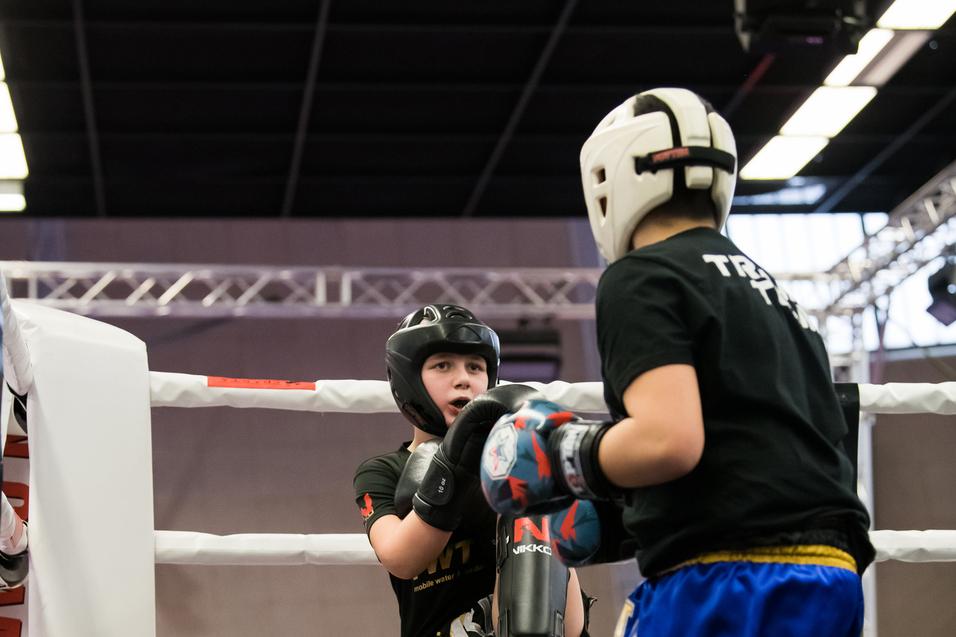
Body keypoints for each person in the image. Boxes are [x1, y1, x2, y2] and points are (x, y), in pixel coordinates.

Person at [480, 87, 875, 636]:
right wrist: (624, 510)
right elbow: (770, 446)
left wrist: (560, 451)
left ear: (610, 181)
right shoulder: (773, 294)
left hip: (729, 577)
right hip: (830, 571)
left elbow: (670, 440)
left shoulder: (642, 276)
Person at [353, 304, 589, 637]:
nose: (463, 379)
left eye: (475, 366)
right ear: (408, 379)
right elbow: (400, 558)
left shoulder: (514, 463)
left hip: (529, 625)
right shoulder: (382, 471)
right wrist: (451, 464)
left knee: (529, 505)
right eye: (442, 365)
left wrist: (540, 485)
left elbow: (572, 624)